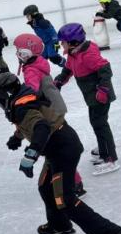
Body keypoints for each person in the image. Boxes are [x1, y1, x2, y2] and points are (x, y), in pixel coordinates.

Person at [0, 73, 121, 234]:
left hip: (63, 149)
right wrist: (17, 137)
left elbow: (41, 127)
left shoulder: (22, 106)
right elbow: (32, 119)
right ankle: (60, 225)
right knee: (45, 187)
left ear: (6, 95)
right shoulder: (23, 98)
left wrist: (31, 155)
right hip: (56, 146)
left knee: (66, 200)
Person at [14, 33, 85, 196]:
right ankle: (74, 180)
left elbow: (32, 90)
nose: (17, 54)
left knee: (56, 149)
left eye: (19, 50)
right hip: (56, 107)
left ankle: (74, 182)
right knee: (59, 147)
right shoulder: (38, 63)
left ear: (26, 52)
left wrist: (20, 98)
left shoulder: (31, 69)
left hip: (51, 111)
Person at [53, 23, 120, 176]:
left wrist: (103, 90)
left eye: (63, 41)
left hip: (100, 95)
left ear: (73, 41)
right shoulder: (73, 53)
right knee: (96, 122)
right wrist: (59, 80)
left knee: (100, 124)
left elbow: (105, 69)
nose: (61, 44)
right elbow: (69, 69)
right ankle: (103, 148)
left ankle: (110, 157)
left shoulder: (88, 54)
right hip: (91, 96)